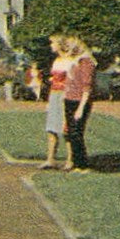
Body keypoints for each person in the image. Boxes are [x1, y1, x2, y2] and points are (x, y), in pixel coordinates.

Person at [62, 37, 98, 171]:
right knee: (71, 133)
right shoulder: (75, 61)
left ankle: (83, 164)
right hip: (70, 99)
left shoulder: (86, 62)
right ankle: (77, 163)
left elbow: (87, 87)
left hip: (79, 101)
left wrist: (81, 108)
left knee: (76, 133)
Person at [42, 36, 73, 169]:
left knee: (66, 129)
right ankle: (50, 159)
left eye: (53, 43)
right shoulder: (57, 60)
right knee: (51, 128)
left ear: (60, 44)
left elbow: (72, 82)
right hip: (54, 95)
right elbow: (53, 82)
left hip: (64, 96)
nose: (51, 46)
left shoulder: (70, 61)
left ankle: (70, 160)